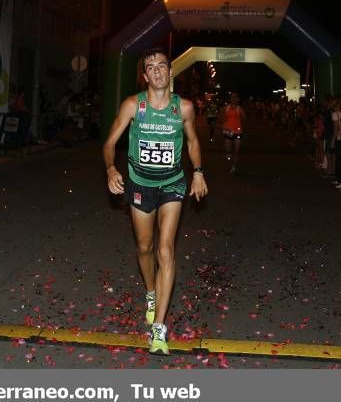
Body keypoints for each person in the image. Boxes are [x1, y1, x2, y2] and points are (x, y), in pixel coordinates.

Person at [103, 47, 208, 356]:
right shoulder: (133, 106)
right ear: (145, 75)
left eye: (163, 65)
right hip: (139, 184)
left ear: (170, 72)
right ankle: (151, 293)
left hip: (173, 183)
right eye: (152, 67)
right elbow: (109, 144)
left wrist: (199, 172)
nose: (158, 70)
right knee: (145, 247)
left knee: (165, 248)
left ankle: (159, 327)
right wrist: (111, 168)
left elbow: (192, 142)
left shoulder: (184, 108)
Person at [221, 92, 246, 173]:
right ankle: (229, 162)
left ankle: (233, 166)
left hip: (237, 132)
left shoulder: (240, 109)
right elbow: (221, 118)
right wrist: (223, 120)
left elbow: (244, 119)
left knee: (236, 151)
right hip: (227, 132)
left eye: (235, 97)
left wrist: (239, 126)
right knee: (228, 151)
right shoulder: (226, 108)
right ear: (230, 99)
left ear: (238, 99)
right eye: (232, 97)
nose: (234, 99)